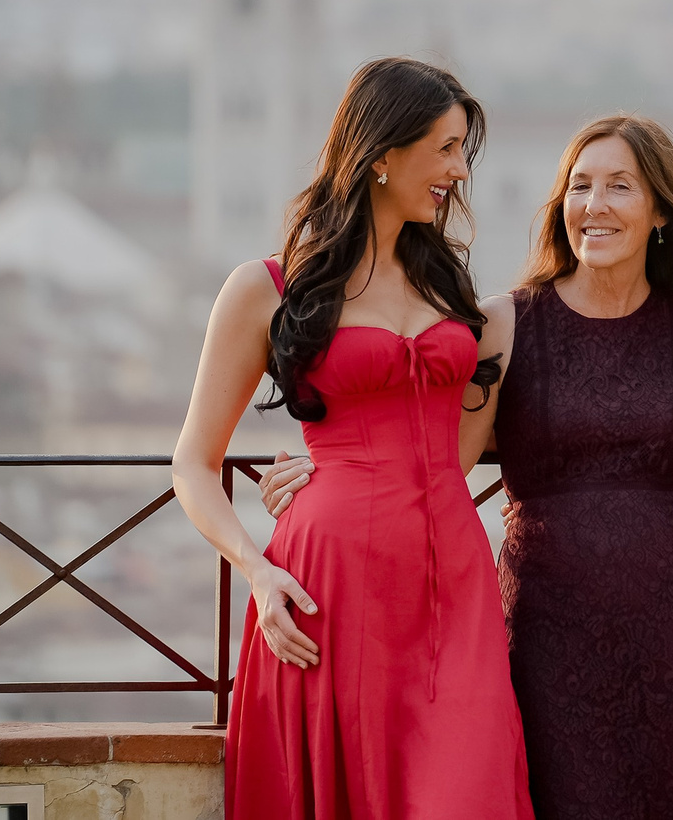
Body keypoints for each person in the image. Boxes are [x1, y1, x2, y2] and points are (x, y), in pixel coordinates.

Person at [265, 114, 673, 820]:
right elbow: (436, 466)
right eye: (580, 185)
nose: (595, 204)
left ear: (661, 210)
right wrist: (328, 473)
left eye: (620, 186)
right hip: (548, 626)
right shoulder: (503, 322)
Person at [170, 56, 531, 820]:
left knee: (468, 794)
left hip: (454, 580)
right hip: (326, 587)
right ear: (380, 153)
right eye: (444, 148)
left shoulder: (450, 286)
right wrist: (257, 569)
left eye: (462, 149)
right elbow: (193, 464)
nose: (460, 170)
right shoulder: (267, 287)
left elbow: (457, 438)